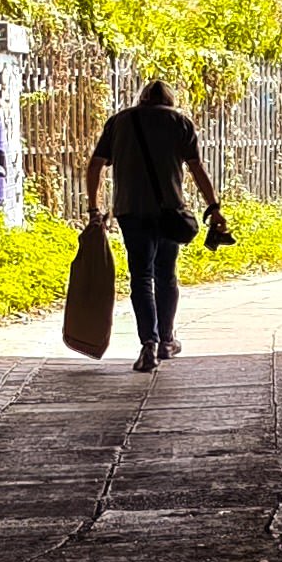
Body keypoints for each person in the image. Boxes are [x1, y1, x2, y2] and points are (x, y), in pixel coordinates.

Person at [83, 79, 222, 373]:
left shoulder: (120, 122)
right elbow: (196, 168)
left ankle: (148, 343)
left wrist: (94, 208)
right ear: (169, 99)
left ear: (142, 98)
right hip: (169, 211)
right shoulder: (179, 122)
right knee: (166, 275)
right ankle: (166, 341)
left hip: (130, 210)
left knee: (141, 277)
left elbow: (95, 165)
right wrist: (214, 207)